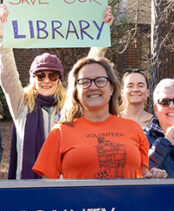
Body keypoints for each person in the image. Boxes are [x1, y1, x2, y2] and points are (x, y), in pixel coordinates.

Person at [0, 5, 112, 179]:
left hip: (63, 187)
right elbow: (8, 75)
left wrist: (101, 37)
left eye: (52, 76)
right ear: (32, 78)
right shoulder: (20, 103)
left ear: (59, 79)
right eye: (40, 75)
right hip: (28, 187)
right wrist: (3, 38)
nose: (46, 80)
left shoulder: (70, 105)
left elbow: (90, 69)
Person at [33, 57, 165, 180]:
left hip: (126, 204)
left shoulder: (134, 128)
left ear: (112, 88)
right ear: (76, 92)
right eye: (84, 82)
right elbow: (47, 190)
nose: (93, 87)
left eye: (100, 81)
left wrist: (155, 177)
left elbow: (142, 179)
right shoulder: (60, 133)